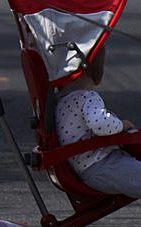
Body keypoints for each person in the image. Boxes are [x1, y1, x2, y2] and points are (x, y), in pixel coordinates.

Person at [54, 46, 141, 198]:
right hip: (101, 165)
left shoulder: (60, 101)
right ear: (98, 74)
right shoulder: (87, 97)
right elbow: (100, 124)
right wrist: (121, 125)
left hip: (81, 168)